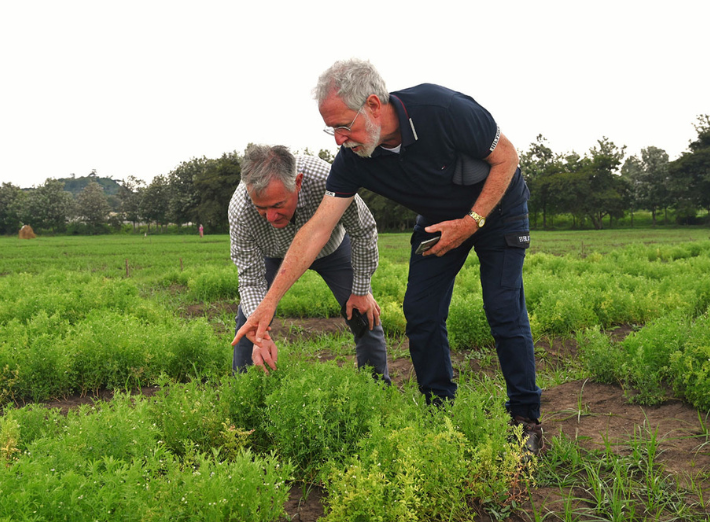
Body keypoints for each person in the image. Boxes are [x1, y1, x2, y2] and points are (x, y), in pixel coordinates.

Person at [232, 60, 543, 453]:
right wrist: (267, 305)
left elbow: (508, 158)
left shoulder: (443, 109)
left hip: (496, 211)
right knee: (421, 312)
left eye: (344, 126)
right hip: (438, 222)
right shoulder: (353, 159)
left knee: (502, 307)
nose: (338, 140)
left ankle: (525, 418)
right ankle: (438, 411)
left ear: (374, 105)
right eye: (331, 129)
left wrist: (471, 221)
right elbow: (318, 229)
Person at [228, 143, 390, 383]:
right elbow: (250, 277)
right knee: (250, 323)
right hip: (273, 255)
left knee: (363, 314)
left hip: (331, 249)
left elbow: (362, 228)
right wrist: (259, 336)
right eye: (261, 208)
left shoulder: (325, 178)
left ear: (298, 182)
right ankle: (243, 392)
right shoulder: (240, 208)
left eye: (277, 205)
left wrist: (361, 289)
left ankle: (377, 389)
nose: (270, 216)